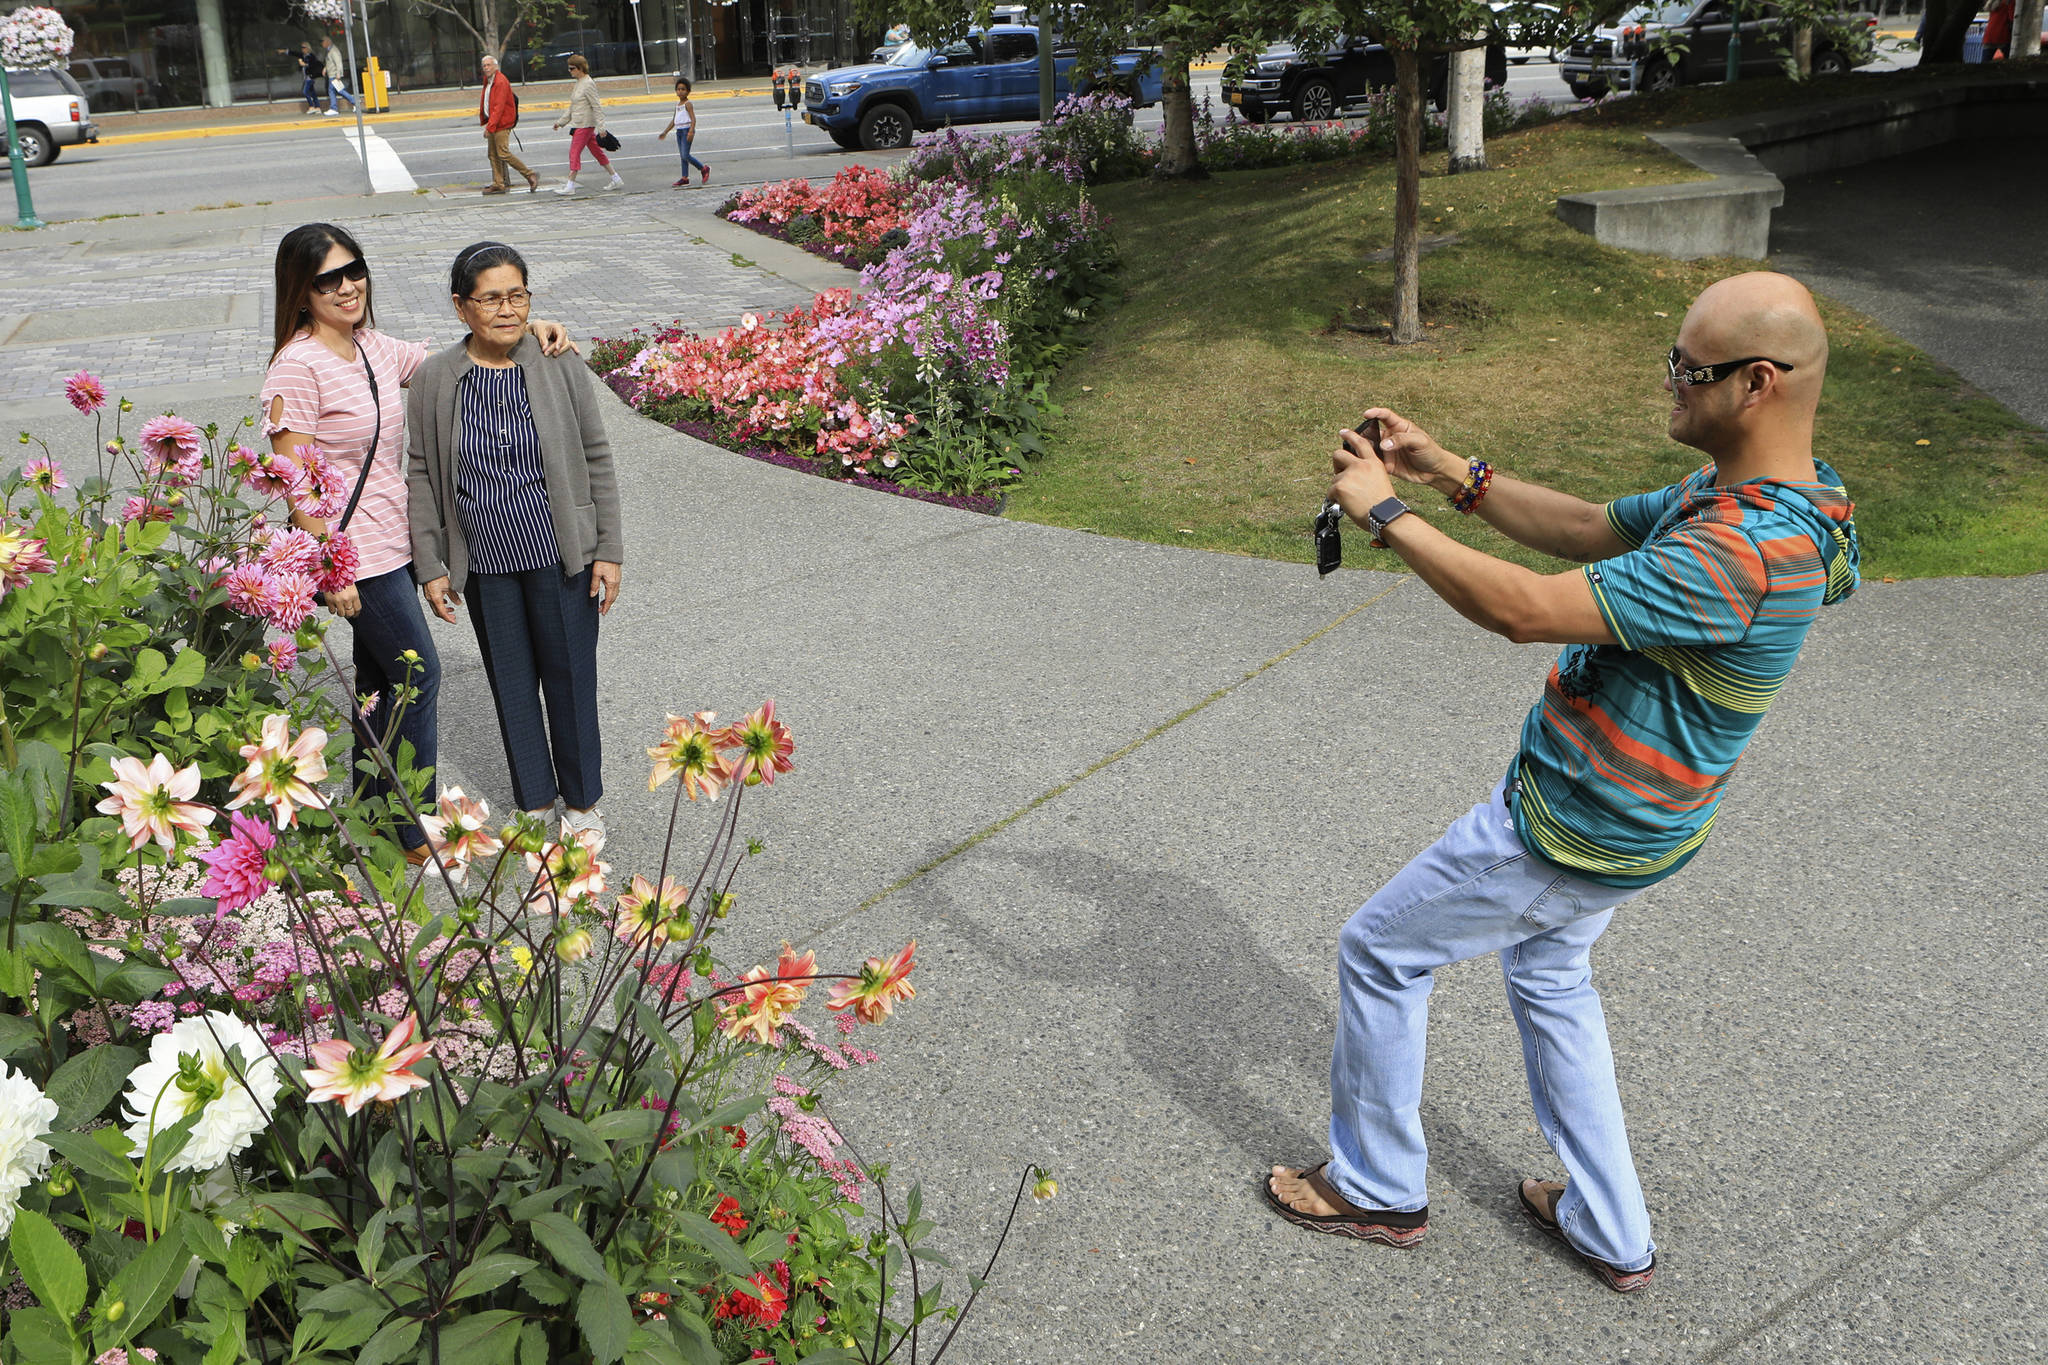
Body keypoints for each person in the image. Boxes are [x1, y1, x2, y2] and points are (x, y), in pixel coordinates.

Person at [1263, 272, 1860, 1294]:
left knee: (1378, 950)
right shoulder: (1778, 498)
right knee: (1548, 980)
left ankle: (1374, 1187)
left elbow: (1527, 610)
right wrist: (1445, 468)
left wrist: (1384, 512)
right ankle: (1609, 1229)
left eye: (1687, 368)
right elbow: (1587, 529)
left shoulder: (1743, 551)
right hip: (1642, 829)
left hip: (1566, 829)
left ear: (1754, 383)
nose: (1667, 382)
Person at [261, 224, 576, 863]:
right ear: (301, 291)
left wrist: (530, 326)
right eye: (328, 280)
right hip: (353, 553)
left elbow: (452, 362)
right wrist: (330, 568)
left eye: (355, 272)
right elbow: (297, 480)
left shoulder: (373, 346)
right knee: (417, 672)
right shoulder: (297, 366)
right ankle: (412, 828)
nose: (347, 287)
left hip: (394, 539)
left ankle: (374, 822)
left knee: (380, 685)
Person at [406, 242, 623, 843]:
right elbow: (421, 472)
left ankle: (581, 804)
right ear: (461, 306)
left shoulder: (560, 363)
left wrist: (609, 549)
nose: (507, 309)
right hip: (487, 561)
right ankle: (534, 798)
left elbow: (596, 456)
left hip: (562, 554)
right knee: (511, 679)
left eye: (518, 295)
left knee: (571, 677)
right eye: (491, 298)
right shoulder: (435, 378)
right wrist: (431, 563)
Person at [552, 55, 621, 195]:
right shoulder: (579, 82)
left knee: (574, 152)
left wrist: (601, 128)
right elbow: (573, 106)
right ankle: (615, 178)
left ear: (580, 68)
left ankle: (570, 185)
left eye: (572, 68)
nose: (569, 71)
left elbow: (596, 106)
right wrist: (560, 122)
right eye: (569, 68)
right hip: (579, 124)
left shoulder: (588, 83)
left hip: (585, 125)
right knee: (597, 152)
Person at [478, 55, 538, 195]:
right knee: (492, 154)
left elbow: (498, 108)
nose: (486, 68)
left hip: (502, 123)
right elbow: (489, 102)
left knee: (503, 153)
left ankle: (530, 175)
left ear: (495, 66)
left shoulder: (500, 81)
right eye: (484, 65)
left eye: (489, 65)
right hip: (494, 122)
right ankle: (498, 184)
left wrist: (490, 127)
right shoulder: (488, 80)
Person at [657, 77, 710, 188]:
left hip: (687, 131)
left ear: (688, 91)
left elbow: (693, 119)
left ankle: (703, 168)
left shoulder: (688, 104)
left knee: (685, 155)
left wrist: (691, 131)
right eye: (678, 89)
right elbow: (674, 120)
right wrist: (665, 132)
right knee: (682, 156)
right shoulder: (677, 105)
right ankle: (685, 178)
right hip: (679, 132)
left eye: (683, 89)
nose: (680, 91)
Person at [321, 35, 359, 117]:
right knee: (338, 90)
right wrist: (325, 68)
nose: (322, 44)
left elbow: (338, 63)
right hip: (332, 74)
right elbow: (329, 62)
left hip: (334, 75)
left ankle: (334, 108)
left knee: (333, 91)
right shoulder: (329, 51)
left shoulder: (333, 51)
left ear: (327, 42)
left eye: (323, 41)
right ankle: (355, 102)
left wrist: (338, 74)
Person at [297, 42, 322, 116]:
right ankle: (318, 107)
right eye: (302, 47)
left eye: (304, 47)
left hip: (310, 77)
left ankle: (311, 106)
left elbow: (313, 65)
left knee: (305, 91)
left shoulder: (311, 56)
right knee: (312, 93)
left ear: (308, 48)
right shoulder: (304, 56)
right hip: (306, 77)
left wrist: (304, 64)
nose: (302, 49)